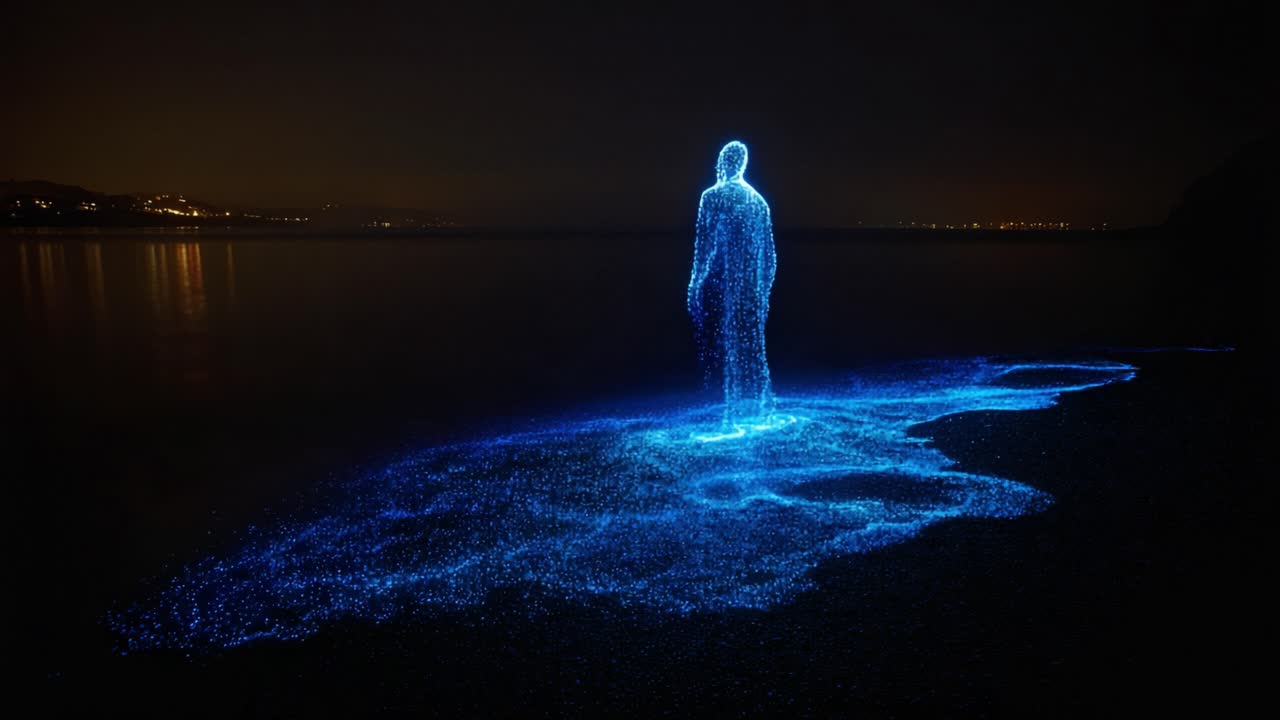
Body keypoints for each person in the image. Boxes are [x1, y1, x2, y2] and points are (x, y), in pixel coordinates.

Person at [687, 141, 777, 422]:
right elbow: (771, 257)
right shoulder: (758, 201)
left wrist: (694, 285)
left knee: (724, 346)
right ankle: (761, 409)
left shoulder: (711, 197)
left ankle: (725, 413)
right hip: (751, 288)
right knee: (753, 348)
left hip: (720, 284)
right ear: (743, 164)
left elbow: (704, 248)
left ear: (723, 162)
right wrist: (764, 292)